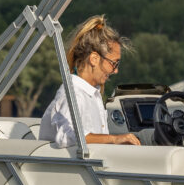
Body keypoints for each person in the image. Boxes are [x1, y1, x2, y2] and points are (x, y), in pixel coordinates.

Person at [38, 15, 143, 149]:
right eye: (113, 63)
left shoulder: (92, 95)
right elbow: (66, 136)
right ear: (94, 59)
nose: (115, 71)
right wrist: (115, 139)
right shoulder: (72, 93)